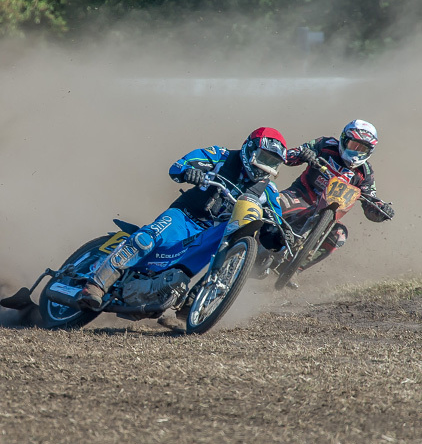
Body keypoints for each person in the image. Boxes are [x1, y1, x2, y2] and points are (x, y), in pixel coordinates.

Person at [76, 127, 290, 311]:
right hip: (185, 216)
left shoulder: (269, 191)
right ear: (249, 149)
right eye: (263, 158)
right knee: (146, 239)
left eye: (273, 162)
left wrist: (279, 236)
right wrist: (190, 172)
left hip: (214, 234)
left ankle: (192, 303)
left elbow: (273, 222)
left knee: (228, 255)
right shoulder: (220, 156)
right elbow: (179, 166)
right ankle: (96, 284)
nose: (265, 166)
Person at [280, 119, 394, 275]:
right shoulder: (324, 145)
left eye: (362, 149)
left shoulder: (365, 172)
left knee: (340, 234)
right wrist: (303, 154)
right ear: (344, 140)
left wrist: (381, 210)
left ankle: (294, 270)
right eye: (354, 146)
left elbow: (370, 201)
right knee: (275, 203)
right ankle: (244, 238)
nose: (356, 152)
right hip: (300, 196)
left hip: (329, 214)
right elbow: (288, 156)